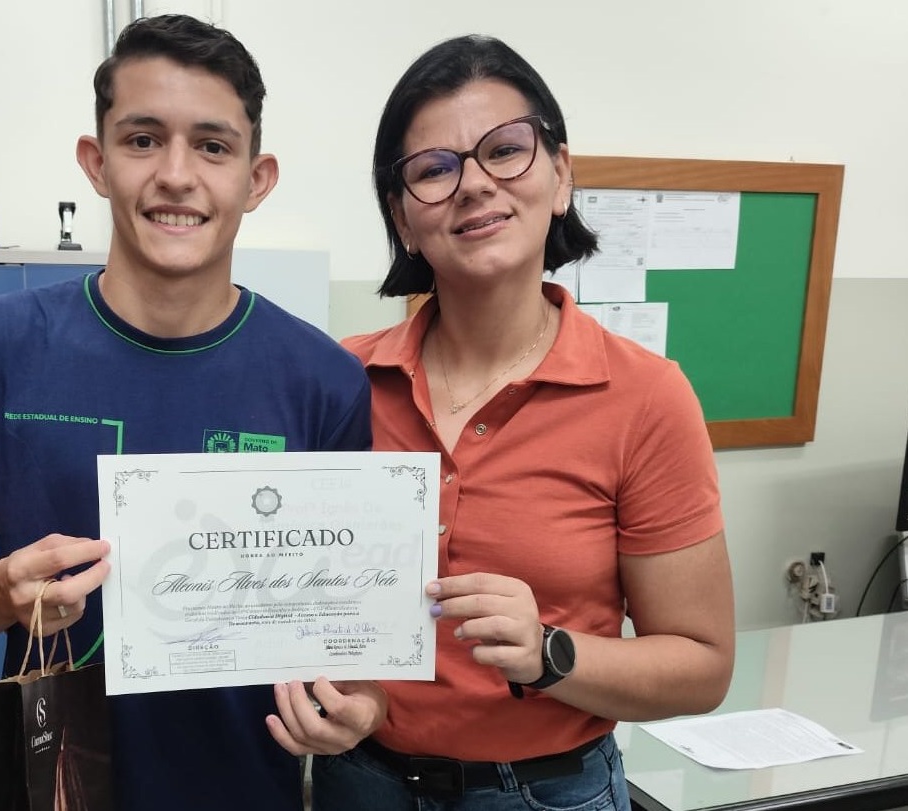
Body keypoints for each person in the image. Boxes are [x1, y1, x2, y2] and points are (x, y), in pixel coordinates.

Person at [0, 14, 385, 810]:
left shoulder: (323, 380)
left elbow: (345, 632)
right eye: (143, 139)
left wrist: (362, 705)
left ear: (257, 179)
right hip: (58, 784)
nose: (176, 175)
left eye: (213, 146)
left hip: (245, 789)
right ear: (97, 162)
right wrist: (1, 592)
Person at [311, 33, 736, 811]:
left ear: (560, 175)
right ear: (402, 218)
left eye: (505, 150)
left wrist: (549, 652)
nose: (474, 184)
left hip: (545, 793)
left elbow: (702, 666)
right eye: (433, 169)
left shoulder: (645, 396)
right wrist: (340, 696)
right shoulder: (341, 380)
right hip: (361, 781)